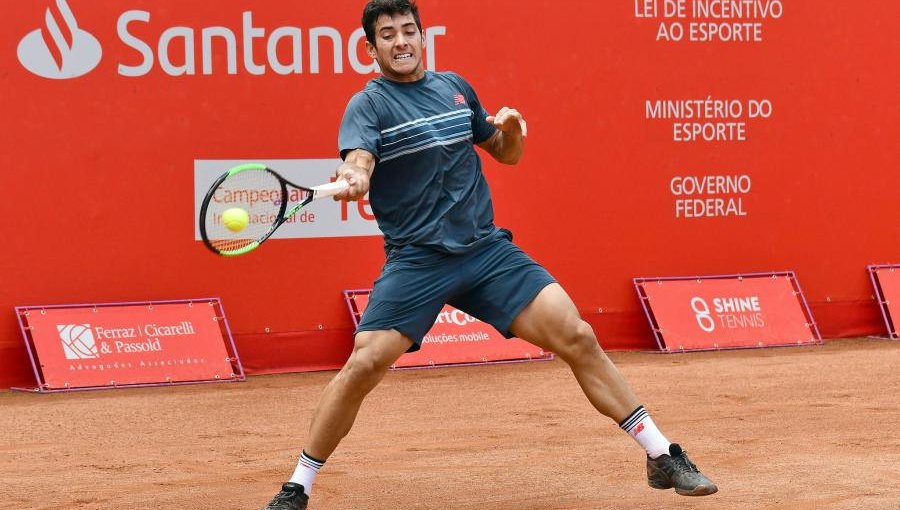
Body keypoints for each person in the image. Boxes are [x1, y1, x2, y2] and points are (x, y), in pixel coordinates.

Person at [262, 1, 717, 508]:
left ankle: (662, 454)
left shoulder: (455, 87)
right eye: (387, 35)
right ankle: (298, 483)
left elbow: (505, 152)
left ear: (422, 36)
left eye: (408, 31)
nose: (401, 42)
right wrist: (355, 177)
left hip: (486, 253)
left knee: (577, 335)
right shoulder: (368, 106)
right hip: (418, 260)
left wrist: (513, 131)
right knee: (364, 363)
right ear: (371, 49)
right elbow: (359, 161)